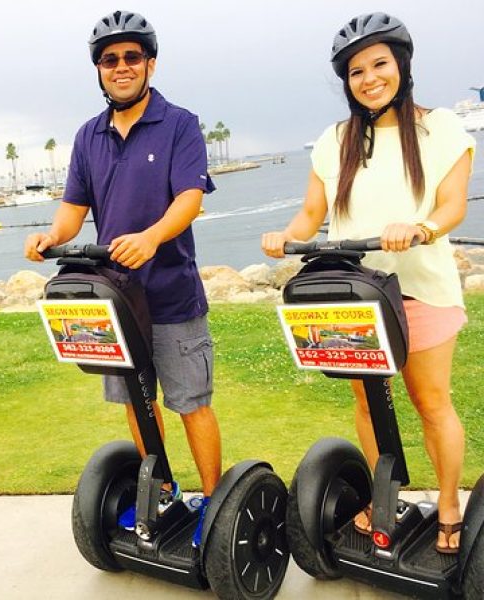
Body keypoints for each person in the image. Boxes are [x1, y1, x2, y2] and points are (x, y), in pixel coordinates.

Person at [261, 12, 475, 554]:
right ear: (347, 81)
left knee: (430, 401)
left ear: (400, 64)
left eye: (380, 64)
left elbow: (451, 205)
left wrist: (421, 227)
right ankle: (390, 498)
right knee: (367, 399)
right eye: (356, 71)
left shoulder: (440, 126)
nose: (369, 78)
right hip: (354, 291)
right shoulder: (335, 140)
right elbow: (313, 211)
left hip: (420, 286)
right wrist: (285, 236)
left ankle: (450, 502)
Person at [24, 10, 220, 547]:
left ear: (149, 64)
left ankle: (215, 503)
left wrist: (153, 236)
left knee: (191, 402)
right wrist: (51, 238)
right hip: (114, 297)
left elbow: (190, 198)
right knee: (138, 400)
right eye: (110, 60)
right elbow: (73, 208)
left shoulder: (179, 122)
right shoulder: (89, 136)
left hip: (173, 293)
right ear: (99, 71)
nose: (121, 66)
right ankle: (161, 490)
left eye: (132, 56)